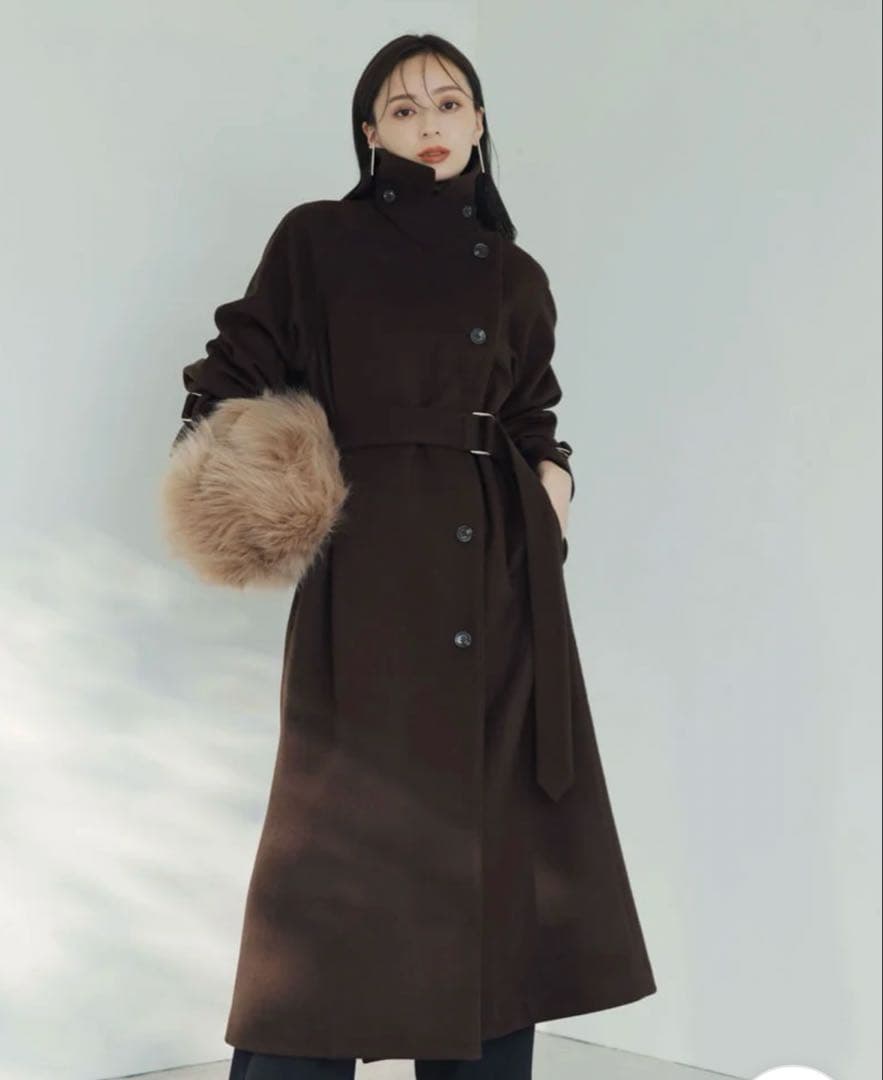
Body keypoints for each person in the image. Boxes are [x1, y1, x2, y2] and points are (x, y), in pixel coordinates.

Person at [160, 32, 656, 1080]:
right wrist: (252, 485)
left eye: (447, 101)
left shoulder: (516, 276)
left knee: (490, 851)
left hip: (500, 583)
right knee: (331, 849)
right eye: (402, 107)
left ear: (478, 121)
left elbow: (531, 412)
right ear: (369, 133)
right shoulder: (319, 239)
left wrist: (554, 482)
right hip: (369, 572)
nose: (429, 123)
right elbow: (232, 371)